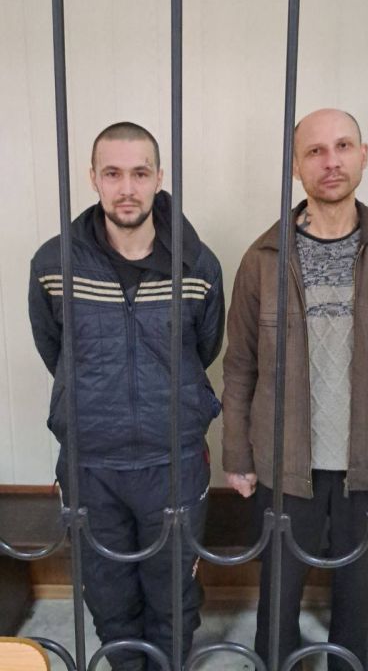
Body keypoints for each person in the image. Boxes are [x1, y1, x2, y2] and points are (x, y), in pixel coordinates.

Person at [222, 109, 368, 671]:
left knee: (359, 597)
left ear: (363, 155)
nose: (331, 161)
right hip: (284, 461)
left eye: (343, 146)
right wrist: (238, 455)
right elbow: (240, 365)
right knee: (278, 595)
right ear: (296, 167)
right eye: (315, 151)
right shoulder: (264, 257)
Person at [29, 122, 224, 671]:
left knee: (173, 594)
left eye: (140, 173)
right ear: (93, 177)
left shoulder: (198, 264)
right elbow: (55, 349)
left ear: (159, 178)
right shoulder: (53, 264)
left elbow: (205, 347)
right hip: (91, 462)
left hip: (173, 460)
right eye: (112, 173)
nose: (127, 188)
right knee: (108, 593)